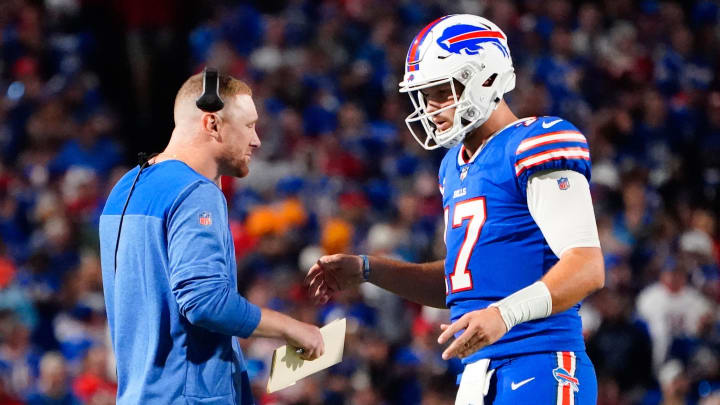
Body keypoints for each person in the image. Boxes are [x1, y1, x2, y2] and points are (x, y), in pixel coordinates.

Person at [306, 14, 604, 405]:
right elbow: (461, 281)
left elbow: (587, 265)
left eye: (441, 91)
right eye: (425, 95)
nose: (431, 108)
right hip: (478, 374)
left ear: (485, 77)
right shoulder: (454, 164)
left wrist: (503, 314)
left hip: (539, 361)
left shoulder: (536, 141)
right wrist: (368, 269)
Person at [99, 71, 324, 404]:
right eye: (248, 126)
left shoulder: (125, 186)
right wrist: (293, 327)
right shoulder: (195, 192)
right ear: (212, 124)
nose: (257, 140)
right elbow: (204, 302)